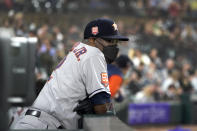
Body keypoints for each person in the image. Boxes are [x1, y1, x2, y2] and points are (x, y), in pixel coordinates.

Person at [12, 18, 129, 129]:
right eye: (110, 40)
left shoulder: (76, 51)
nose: (114, 46)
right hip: (47, 124)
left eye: (115, 42)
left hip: (31, 121)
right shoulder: (95, 54)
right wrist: (99, 107)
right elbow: (102, 110)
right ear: (92, 40)